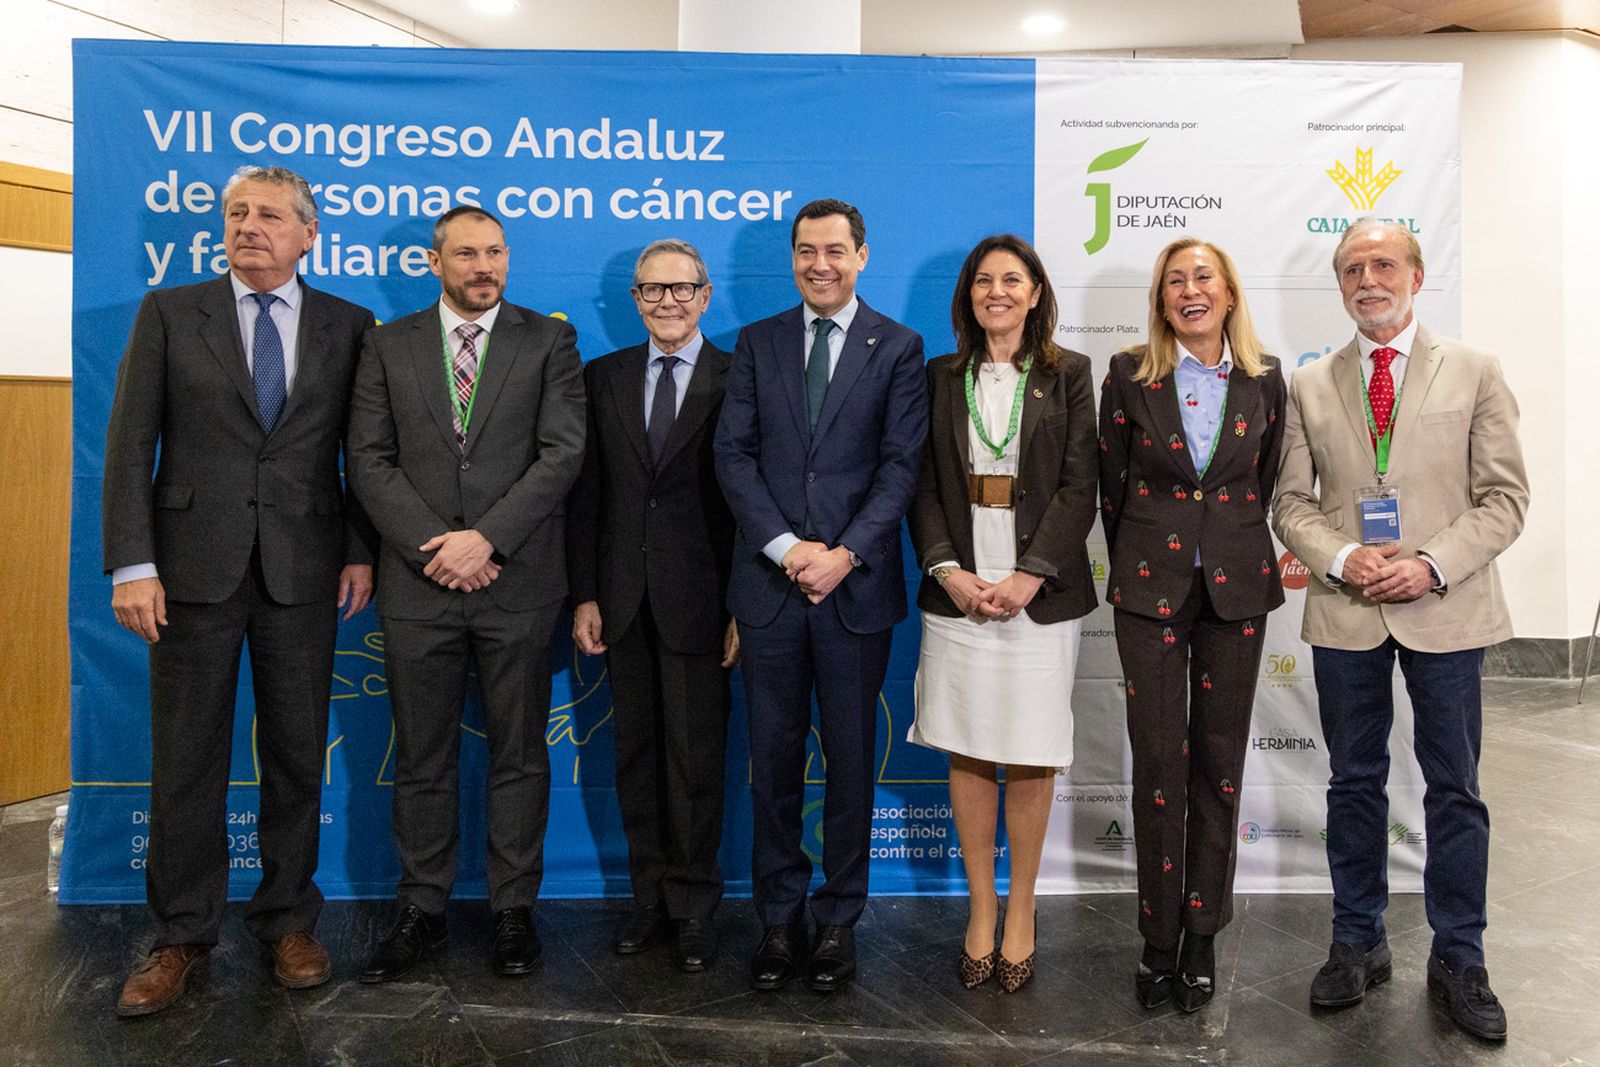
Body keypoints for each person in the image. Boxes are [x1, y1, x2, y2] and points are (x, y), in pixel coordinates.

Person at [101, 164, 375, 1016]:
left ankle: (289, 918)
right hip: (189, 573)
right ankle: (182, 932)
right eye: (236, 213)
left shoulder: (349, 325)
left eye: (267, 215)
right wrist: (132, 563)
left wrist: (361, 550)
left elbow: (363, 454)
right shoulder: (170, 313)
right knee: (187, 758)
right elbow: (126, 444)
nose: (248, 225)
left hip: (305, 569)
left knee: (297, 753)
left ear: (307, 233)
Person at [1273, 219, 1528, 1042]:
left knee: (1455, 788)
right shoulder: (1311, 384)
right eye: (1352, 269)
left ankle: (1460, 956)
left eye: (1383, 264)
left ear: (1416, 275)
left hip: (1446, 606)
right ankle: (1358, 941)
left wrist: (1429, 562)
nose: (1367, 279)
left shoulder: (1477, 370)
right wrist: (1344, 554)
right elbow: (1289, 503)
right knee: (1354, 782)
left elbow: (1505, 498)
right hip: (1347, 608)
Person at [346, 205, 586, 981]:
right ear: (434, 262)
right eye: (466, 254)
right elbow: (369, 460)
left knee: (520, 754)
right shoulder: (386, 346)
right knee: (421, 756)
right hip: (418, 587)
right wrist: (437, 549)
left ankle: (514, 910)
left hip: (515, 582)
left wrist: (488, 539)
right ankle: (422, 906)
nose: (483, 266)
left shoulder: (549, 340)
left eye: (494, 252)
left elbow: (562, 452)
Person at [714, 197, 928, 993]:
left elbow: (902, 465)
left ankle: (838, 918)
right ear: (793, 257)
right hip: (768, 593)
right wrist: (787, 547)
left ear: (862, 255)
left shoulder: (898, 347)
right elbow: (733, 457)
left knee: (848, 766)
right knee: (770, 765)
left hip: (854, 593)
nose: (820, 264)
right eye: (806, 251)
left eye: (835, 250)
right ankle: (778, 918)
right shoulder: (758, 342)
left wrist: (842, 553)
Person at [1098, 236, 1286, 1012]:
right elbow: (1114, 486)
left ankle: (1203, 931)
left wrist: (1221, 549)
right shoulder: (1127, 374)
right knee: (1157, 765)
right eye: (1174, 281)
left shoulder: (1267, 380)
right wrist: (1148, 565)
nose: (1189, 290)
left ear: (1230, 292)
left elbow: (1264, 480)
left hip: (1237, 590)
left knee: (1219, 762)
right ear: (1161, 299)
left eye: (1202, 276)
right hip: (1149, 588)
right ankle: (1156, 933)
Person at [906, 234, 1098, 993]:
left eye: (1011, 280)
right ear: (969, 295)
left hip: (1039, 594)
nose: (997, 291)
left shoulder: (1071, 375)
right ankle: (980, 908)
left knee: (1030, 745)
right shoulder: (938, 375)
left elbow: (1081, 485)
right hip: (958, 584)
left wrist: (1029, 574)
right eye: (983, 281)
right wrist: (948, 569)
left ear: (1036, 292)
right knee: (970, 744)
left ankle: (1022, 907)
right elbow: (918, 482)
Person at [566, 238, 739, 974]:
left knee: (696, 759)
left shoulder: (740, 379)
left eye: (681, 289)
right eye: (651, 290)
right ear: (632, 300)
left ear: (705, 296)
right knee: (635, 759)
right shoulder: (601, 378)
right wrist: (584, 593)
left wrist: (740, 604)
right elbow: (585, 498)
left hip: (704, 603)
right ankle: (648, 902)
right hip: (622, 603)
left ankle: (694, 906)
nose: (666, 302)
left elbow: (745, 507)